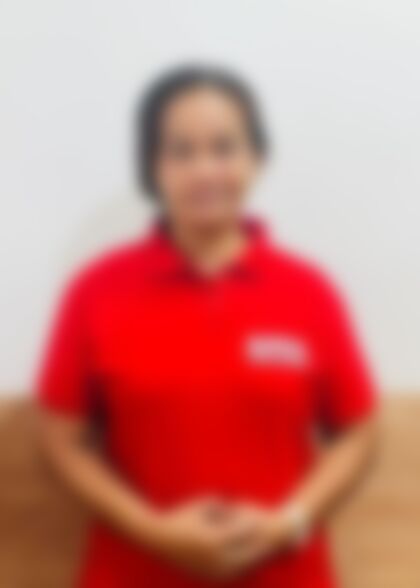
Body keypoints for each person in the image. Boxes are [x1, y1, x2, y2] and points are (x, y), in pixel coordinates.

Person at [37, 66, 378, 588]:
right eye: (181, 151)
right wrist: (151, 531)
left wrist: (288, 523)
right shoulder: (96, 290)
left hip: (283, 573)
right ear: (153, 165)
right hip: (134, 572)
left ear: (256, 158)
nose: (205, 170)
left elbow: (359, 430)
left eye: (224, 148)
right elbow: (61, 439)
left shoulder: (309, 292)